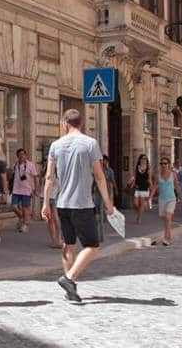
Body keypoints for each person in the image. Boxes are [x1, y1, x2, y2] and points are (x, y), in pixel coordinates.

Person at [41, 109, 114, 304]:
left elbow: (49, 177)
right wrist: (108, 202)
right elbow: (99, 176)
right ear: (81, 123)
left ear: (65, 122)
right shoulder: (90, 143)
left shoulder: (56, 145)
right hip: (82, 204)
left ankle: (70, 288)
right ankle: (69, 278)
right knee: (92, 245)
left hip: (62, 203)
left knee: (68, 244)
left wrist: (45, 203)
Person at [152, 157, 181, 245]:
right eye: (161, 163)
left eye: (165, 163)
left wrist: (181, 197)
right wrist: (150, 197)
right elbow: (155, 187)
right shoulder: (158, 175)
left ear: (168, 164)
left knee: (168, 218)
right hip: (162, 200)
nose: (163, 165)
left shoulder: (173, 174)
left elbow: (177, 186)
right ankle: (169, 236)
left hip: (171, 199)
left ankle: (167, 239)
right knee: (166, 220)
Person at [9, 148, 38, 234]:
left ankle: (25, 225)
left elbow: (35, 177)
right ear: (17, 156)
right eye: (20, 155)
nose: (22, 156)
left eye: (23, 154)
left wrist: (36, 189)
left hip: (26, 190)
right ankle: (23, 217)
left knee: (25, 208)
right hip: (16, 190)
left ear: (26, 155)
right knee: (14, 206)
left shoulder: (30, 165)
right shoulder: (15, 165)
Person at [128, 154, 152, 224]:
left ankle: (139, 218)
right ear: (140, 159)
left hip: (144, 188)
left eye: (145, 158)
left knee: (141, 204)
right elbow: (135, 176)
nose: (144, 160)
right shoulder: (137, 167)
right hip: (137, 187)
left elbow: (149, 179)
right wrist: (131, 183)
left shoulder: (148, 168)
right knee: (135, 204)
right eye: (142, 158)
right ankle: (139, 213)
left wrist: (151, 187)